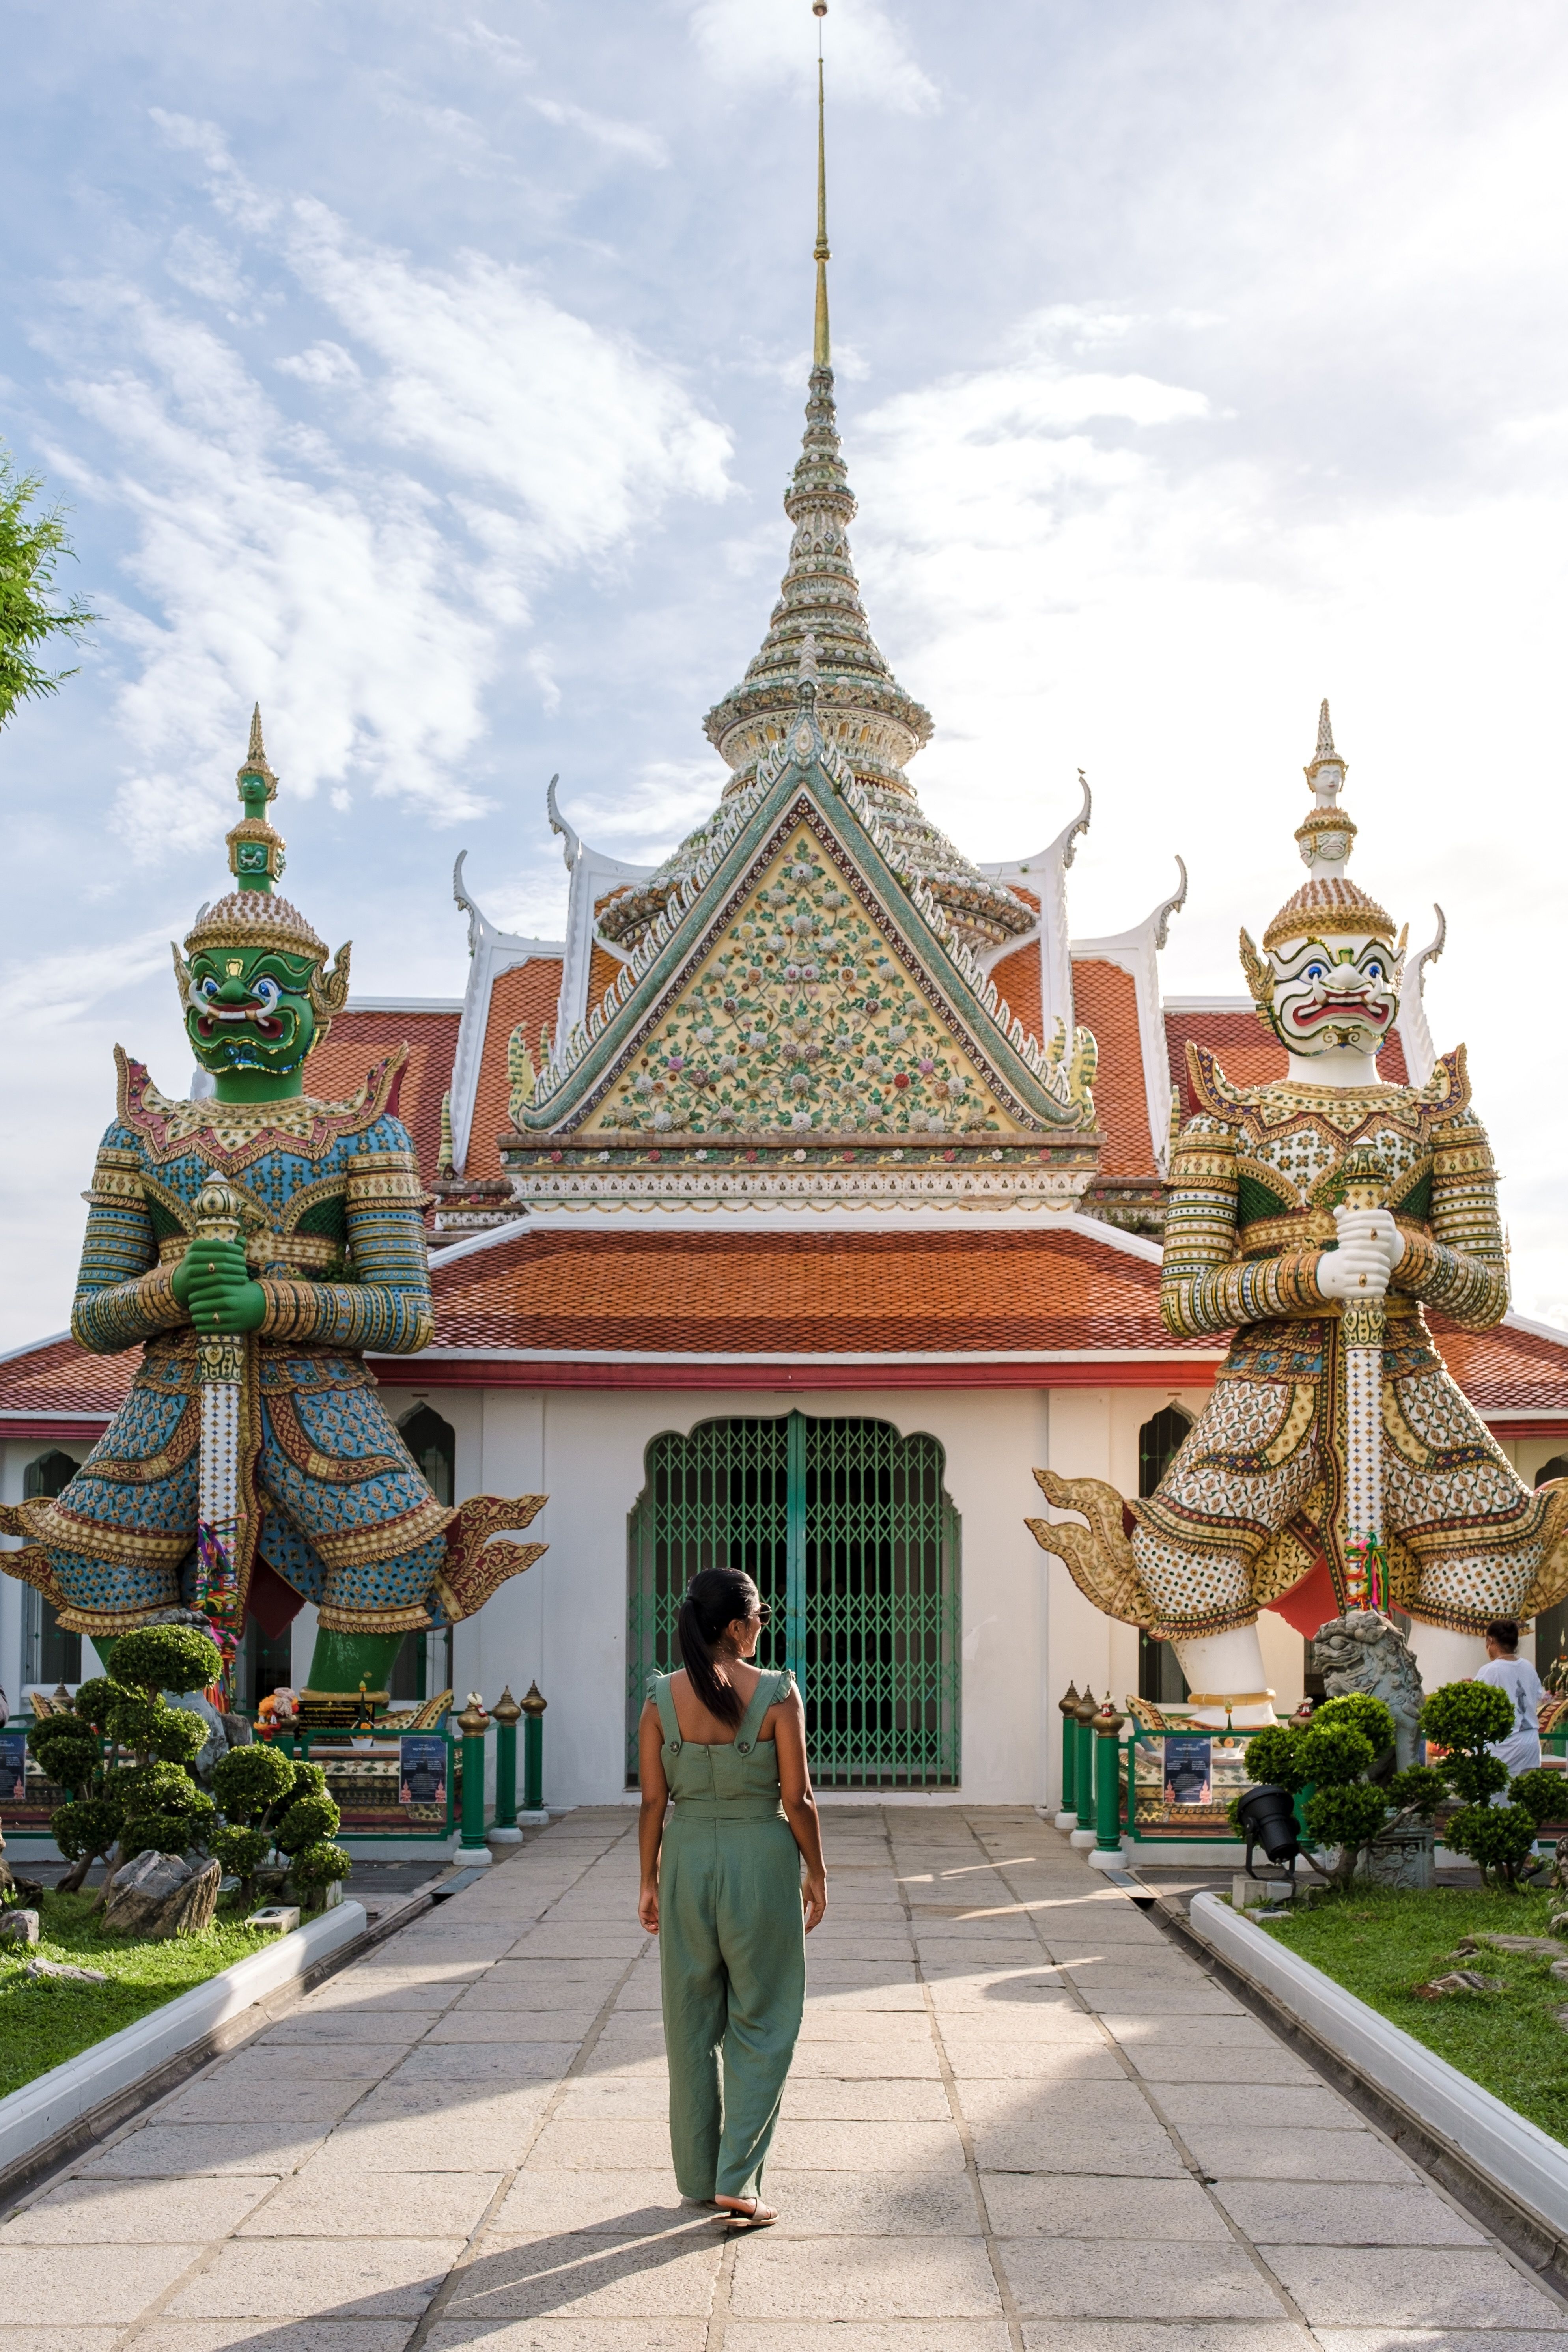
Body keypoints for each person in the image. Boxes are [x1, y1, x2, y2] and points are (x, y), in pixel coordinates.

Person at [638, 1565, 827, 2231]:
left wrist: (648, 1877)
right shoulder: (778, 1693)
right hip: (759, 1862)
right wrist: (818, 1871)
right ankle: (738, 2180)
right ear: (736, 1625)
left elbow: (654, 1799)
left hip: (687, 1858)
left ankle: (697, 2175)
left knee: (689, 2020)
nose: (763, 1625)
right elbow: (797, 1797)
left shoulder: (661, 1696)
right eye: (761, 1614)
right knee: (765, 2014)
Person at [1475, 1620, 1545, 1776]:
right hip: (1531, 1744)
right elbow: (1539, 1696)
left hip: (1505, 1747)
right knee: (1524, 1795)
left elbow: (1475, 1705)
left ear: (1490, 1641)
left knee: (1497, 1799)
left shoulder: (1490, 1670)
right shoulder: (1528, 1667)